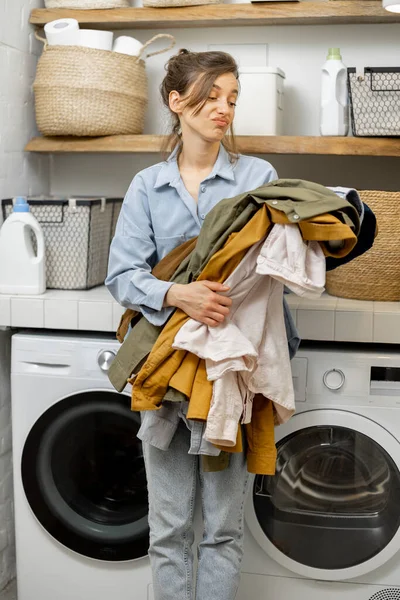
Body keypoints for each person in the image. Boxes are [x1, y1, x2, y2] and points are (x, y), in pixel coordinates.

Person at [106, 49, 278, 600]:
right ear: (177, 102)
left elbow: (271, 267)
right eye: (211, 96)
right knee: (171, 525)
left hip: (231, 370)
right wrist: (178, 293)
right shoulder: (147, 185)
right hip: (164, 367)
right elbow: (122, 274)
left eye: (232, 98)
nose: (223, 108)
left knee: (224, 528)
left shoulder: (258, 177)